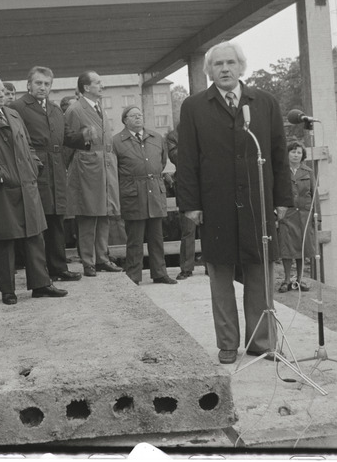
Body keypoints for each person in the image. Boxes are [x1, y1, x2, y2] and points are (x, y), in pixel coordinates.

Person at [177, 40, 292, 365]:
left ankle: (262, 342)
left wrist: (282, 198)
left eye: (230, 63)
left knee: (260, 275)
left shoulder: (265, 103)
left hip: (258, 203)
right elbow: (187, 160)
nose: (225, 69)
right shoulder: (194, 106)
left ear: (241, 67)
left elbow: (279, 153)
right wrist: (191, 205)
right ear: (209, 71)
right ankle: (228, 344)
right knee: (221, 277)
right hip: (216, 205)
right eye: (218, 64)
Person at [0, 73, 68, 305]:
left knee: (34, 236)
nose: (1, 94)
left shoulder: (13, 114)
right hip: (0, 190)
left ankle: (41, 284)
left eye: (2, 90)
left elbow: (28, 146)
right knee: (4, 241)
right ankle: (8, 290)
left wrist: (34, 167)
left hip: (27, 185)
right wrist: (2, 177)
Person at [9, 66, 82, 282]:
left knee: (56, 220)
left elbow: (66, 136)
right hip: (35, 171)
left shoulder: (55, 109)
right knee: (36, 223)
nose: (43, 87)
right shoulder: (17, 108)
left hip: (57, 172)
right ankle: (39, 275)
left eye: (47, 84)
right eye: (39, 83)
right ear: (28, 84)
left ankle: (58, 268)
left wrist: (88, 137)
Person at [63, 70, 122, 277]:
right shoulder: (75, 110)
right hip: (87, 167)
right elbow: (67, 141)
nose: (102, 86)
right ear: (86, 87)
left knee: (104, 213)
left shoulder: (100, 108)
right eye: (97, 83)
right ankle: (88, 261)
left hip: (105, 166)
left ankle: (102, 259)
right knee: (88, 215)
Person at [112, 106, 177, 285]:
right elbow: (113, 169)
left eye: (140, 115)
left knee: (157, 237)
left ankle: (159, 273)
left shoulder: (156, 138)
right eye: (133, 116)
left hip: (155, 191)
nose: (138, 118)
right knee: (135, 238)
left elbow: (162, 162)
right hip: (132, 193)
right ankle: (134, 275)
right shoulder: (116, 141)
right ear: (125, 120)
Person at [277, 140, 316, 293]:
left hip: (304, 215)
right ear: (287, 154)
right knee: (287, 247)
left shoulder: (308, 172)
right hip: (287, 214)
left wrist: (316, 216)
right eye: (293, 152)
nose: (296, 155)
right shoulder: (281, 172)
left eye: (299, 152)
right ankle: (286, 280)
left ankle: (299, 280)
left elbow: (314, 195)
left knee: (302, 247)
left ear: (302, 155)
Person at [165, 124, 197, 281]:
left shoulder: (207, 128)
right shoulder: (173, 136)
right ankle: (186, 268)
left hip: (209, 184)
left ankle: (212, 266)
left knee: (212, 228)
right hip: (186, 185)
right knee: (188, 229)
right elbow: (177, 158)